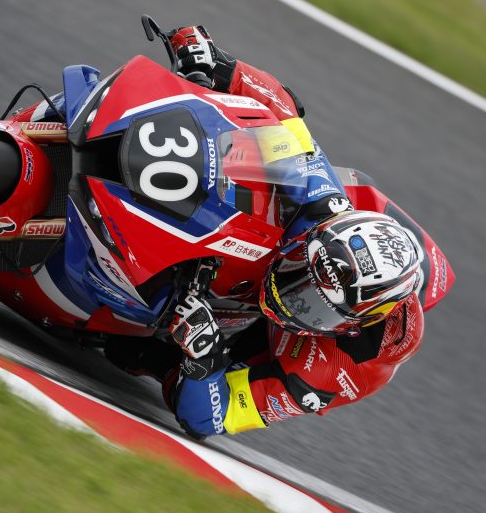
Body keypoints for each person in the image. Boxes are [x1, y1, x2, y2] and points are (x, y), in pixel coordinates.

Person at [104, 26, 427, 439]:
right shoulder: (322, 202)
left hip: (286, 345)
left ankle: (160, 349)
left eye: (314, 302)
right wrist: (216, 64)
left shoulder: (337, 368)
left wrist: (205, 358)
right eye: (301, 273)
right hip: (335, 221)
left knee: (136, 353)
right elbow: (287, 120)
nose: (291, 293)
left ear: (347, 325)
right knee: (255, 155)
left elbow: (216, 418)